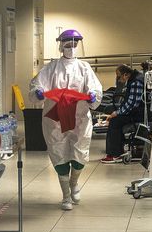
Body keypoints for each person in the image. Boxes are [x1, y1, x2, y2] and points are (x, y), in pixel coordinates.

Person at [30, 29, 103, 210]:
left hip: (79, 117)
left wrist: (94, 95)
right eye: (68, 44)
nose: (71, 47)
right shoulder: (50, 68)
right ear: (61, 45)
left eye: (74, 43)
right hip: (55, 118)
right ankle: (65, 196)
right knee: (58, 152)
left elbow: (94, 87)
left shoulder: (84, 68)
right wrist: (38, 92)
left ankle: (74, 182)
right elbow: (36, 86)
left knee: (80, 153)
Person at [100, 65, 145, 164]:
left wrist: (117, 113)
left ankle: (115, 154)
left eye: (119, 76)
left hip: (137, 114)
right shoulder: (134, 79)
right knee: (116, 120)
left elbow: (132, 104)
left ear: (126, 74)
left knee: (115, 122)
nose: (118, 80)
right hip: (134, 112)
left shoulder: (136, 82)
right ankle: (116, 152)